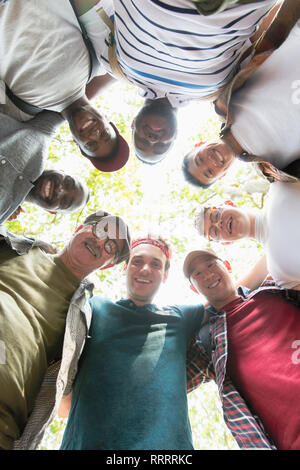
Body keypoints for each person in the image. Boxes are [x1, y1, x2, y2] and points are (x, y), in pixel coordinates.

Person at [73, 0, 277, 163]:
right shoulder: (219, 93)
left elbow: (89, 8)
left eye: (142, 141)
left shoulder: (115, 66)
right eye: (161, 146)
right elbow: (261, 40)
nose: (152, 140)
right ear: (176, 134)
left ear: (134, 124)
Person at [58, 236, 205, 450]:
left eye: (155, 264)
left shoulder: (179, 317)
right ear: (124, 268)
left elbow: (229, 298)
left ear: (165, 275)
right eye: (137, 261)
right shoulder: (95, 307)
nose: (145, 269)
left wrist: (259, 228)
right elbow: (63, 402)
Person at [0, 210, 131, 450]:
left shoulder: (86, 320)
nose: (100, 241)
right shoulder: (18, 247)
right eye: (99, 229)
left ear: (106, 265)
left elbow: (70, 401)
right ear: (78, 228)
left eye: (110, 246)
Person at [183, 248, 300, 450]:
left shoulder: (273, 289)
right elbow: (167, 383)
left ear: (226, 265)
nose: (208, 274)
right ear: (194, 288)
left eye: (211, 264)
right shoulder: (206, 341)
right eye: (197, 274)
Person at [0, 0, 129, 173]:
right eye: (104, 134)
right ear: (109, 121)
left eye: (90, 144)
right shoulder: (97, 60)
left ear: (77, 143)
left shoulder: (22, 109)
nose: (93, 134)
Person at [182, 7, 300, 188]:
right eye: (209, 172)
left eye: (200, 160)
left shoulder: (224, 102)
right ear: (222, 176)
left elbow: (258, 44)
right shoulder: (272, 170)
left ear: (199, 144)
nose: (210, 162)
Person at [194, 180, 300, 290]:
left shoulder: (280, 186)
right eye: (214, 232)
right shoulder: (279, 272)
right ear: (226, 243)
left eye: (215, 215)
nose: (218, 224)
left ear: (229, 203)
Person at [0, 110, 90, 223]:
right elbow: (72, 104)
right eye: (67, 183)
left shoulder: (4, 212)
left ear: (51, 211)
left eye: (64, 202)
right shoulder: (42, 135)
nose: (59, 190)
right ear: (61, 170)